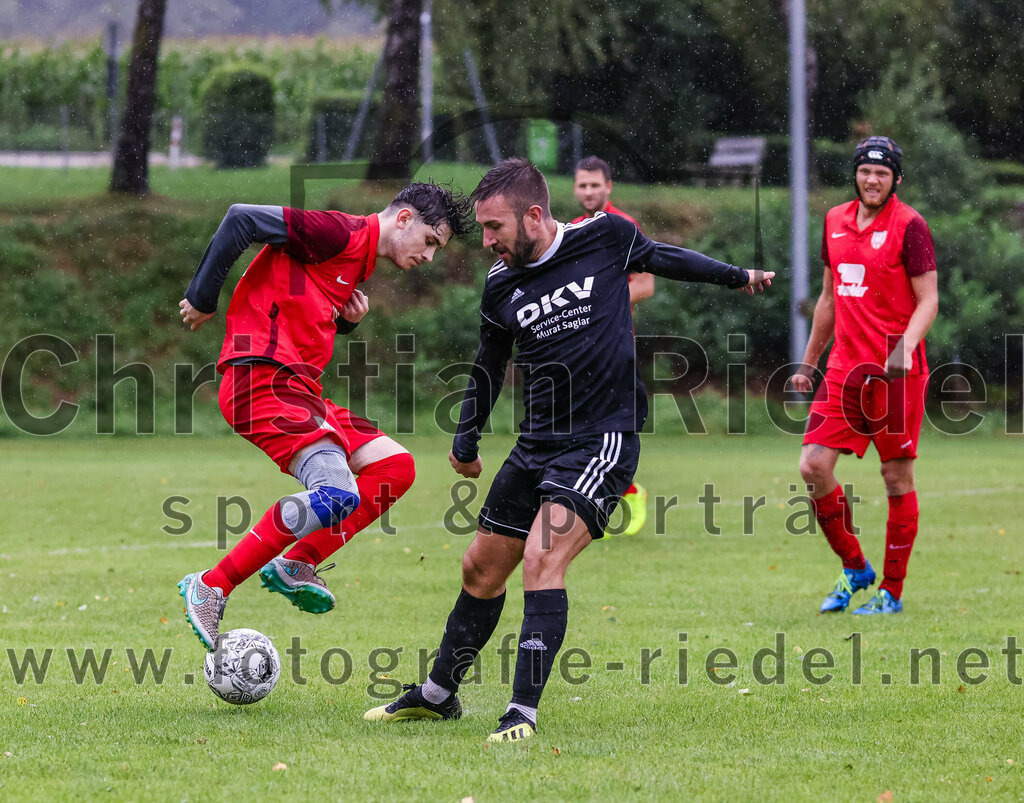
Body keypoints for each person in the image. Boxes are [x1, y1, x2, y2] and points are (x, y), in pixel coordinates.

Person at [364, 158, 773, 741]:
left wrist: (738, 276)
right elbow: (488, 365)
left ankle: (521, 713)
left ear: (533, 215)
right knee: (480, 568)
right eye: (483, 228)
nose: (487, 241)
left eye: (495, 227)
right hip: (536, 442)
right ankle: (437, 695)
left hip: (602, 437)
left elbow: (665, 258)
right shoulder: (500, 283)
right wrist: (465, 438)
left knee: (542, 556)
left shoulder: (605, 236)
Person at [176, 183, 473, 651]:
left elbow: (296, 309)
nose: (429, 256)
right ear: (403, 219)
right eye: (430, 241)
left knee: (395, 467)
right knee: (336, 493)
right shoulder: (339, 233)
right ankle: (211, 586)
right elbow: (241, 218)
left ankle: (297, 563)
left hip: (299, 391)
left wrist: (344, 322)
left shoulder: (356, 262)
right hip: (261, 382)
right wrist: (202, 296)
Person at [791, 136, 938, 615]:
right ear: (855, 174)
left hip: (896, 376)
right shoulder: (834, 220)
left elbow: (929, 300)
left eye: (882, 173)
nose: (872, 180)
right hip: (843, 370)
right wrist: (809, 362)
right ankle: (855, 567)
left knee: (895, 477)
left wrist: (906, 345)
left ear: (896, 179)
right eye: (865, 171)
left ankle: (891, 592)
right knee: (813, 467)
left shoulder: (910, 226)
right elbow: (829, 298)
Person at [572, 155, 653, 536]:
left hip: (613, 349)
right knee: (577, 429)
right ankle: (603, 497)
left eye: (595, 185)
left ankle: (627, 493)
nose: (588, 191)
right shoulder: (571, 230)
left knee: (608, 430)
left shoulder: (623, 227)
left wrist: (599, 305)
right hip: (575, 350)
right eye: (582, 185)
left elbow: (646, 284)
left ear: (608, 187)